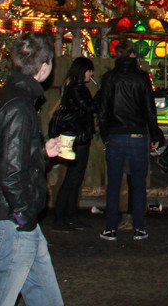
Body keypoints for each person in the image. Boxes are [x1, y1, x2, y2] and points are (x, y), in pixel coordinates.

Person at [0, 33, 62, 306]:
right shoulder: (19, 106)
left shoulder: (9, 98)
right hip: (13, 221)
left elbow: (8, 155)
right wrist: (24, 216)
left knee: (47, 298)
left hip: (16, 219)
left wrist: (40, 153)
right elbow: (11, 173)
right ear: (44, 67)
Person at [95, 40, 163, 241]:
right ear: (133, 54)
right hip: (138, 134)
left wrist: (105, 133)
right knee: (138, 182)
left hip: (116, 133)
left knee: (114, 183)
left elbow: (103, 110)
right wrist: (155, 133)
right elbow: (150, 110)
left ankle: (110, 227)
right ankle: (139, 227)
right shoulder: (142, 78)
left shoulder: (109, 78)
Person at [51, 57, 96, 232]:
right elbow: (89, 107)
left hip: (75, 136)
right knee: (73, 179)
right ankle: (63, 217)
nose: (91, 74)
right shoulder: (77, 89)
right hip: (78, 137)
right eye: (88, 70)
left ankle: (68, 216)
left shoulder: (71, 87)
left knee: (73, 179)